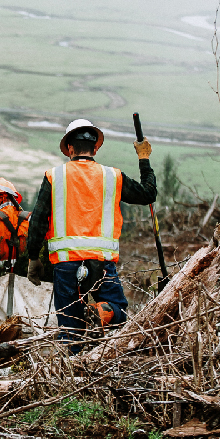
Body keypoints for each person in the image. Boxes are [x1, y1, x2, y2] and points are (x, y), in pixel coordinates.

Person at [26, 119, 155, 350]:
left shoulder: (54, 176)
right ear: (95, 148)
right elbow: (147, 194)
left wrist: (33, 257)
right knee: (119, 314)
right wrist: (143, 159)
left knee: (70, 331)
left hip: (66, 266)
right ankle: (102, 312)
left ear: (70, 149)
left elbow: (38, 220)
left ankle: (74, 373)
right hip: (103, 264)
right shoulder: (113, 177)